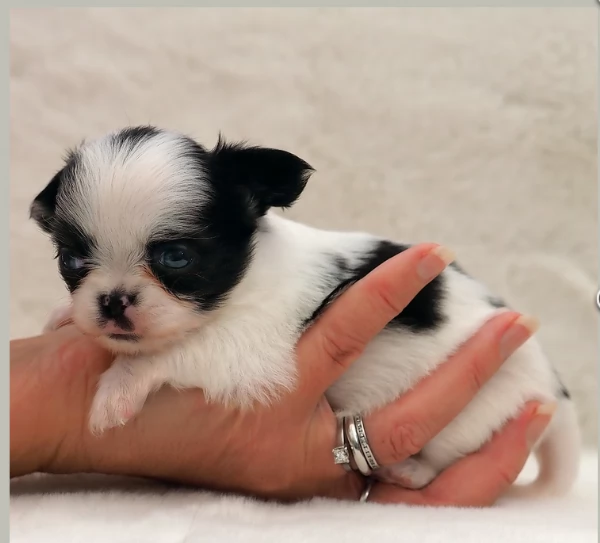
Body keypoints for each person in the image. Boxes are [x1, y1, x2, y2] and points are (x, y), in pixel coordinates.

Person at [10, 244, 551, 505]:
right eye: (77, 262)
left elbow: (252, 358)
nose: (113, 294)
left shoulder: (274, 270)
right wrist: (68, 391)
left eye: (173, 258)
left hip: (477, 375)